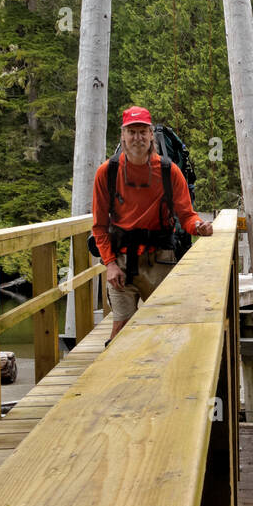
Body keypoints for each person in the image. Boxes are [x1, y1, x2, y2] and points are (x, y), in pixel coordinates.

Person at [91, 106, 213, 343]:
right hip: (122, 263)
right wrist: (110, 264)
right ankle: (117, 376)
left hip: (161, 260)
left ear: (150, 135)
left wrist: (199, 226)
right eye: (132, 131)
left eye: (142, 131)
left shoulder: (169, 172)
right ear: (123, 135)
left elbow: (186, 216)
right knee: (122, 330)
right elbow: (99, 226)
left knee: (166, 328)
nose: (137, 138)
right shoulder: (107, 172)